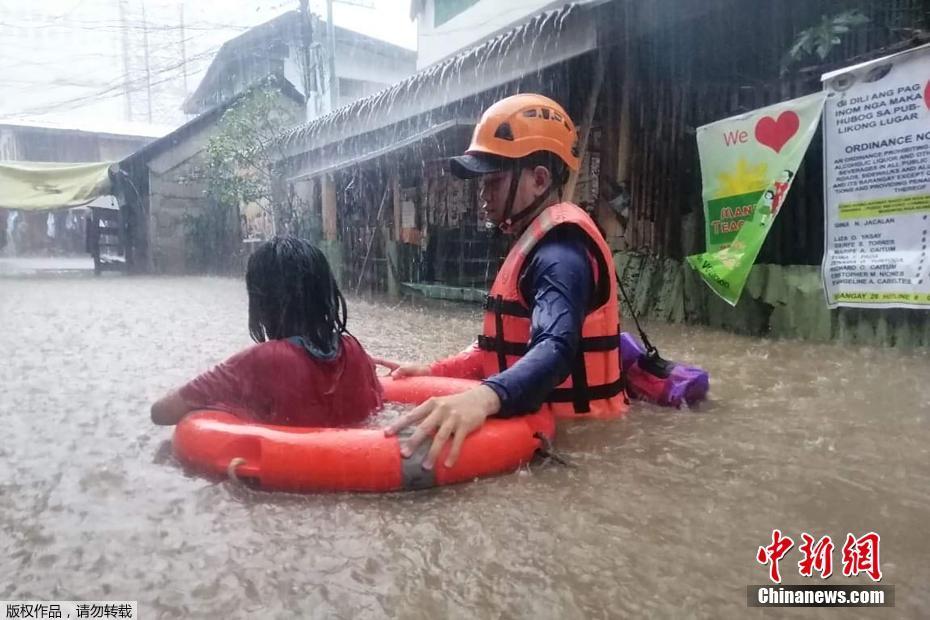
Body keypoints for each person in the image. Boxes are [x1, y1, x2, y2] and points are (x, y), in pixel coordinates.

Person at [383, 94, 627, 470]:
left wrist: (482, 399)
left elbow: (556, 347)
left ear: (539, 179)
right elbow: (500, 350)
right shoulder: (535, 244)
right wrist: (434, 371)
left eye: (493, 182)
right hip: (550, 432)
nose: (483, 197)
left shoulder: (560, 256)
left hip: (580, 447)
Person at [151, 237, 383, 427]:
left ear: (261, 303)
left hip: (289, 478)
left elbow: (161, 413)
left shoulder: (264, 360)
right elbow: (378, 405)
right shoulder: (354, 351)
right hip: (354, 467)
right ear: (327, 294)